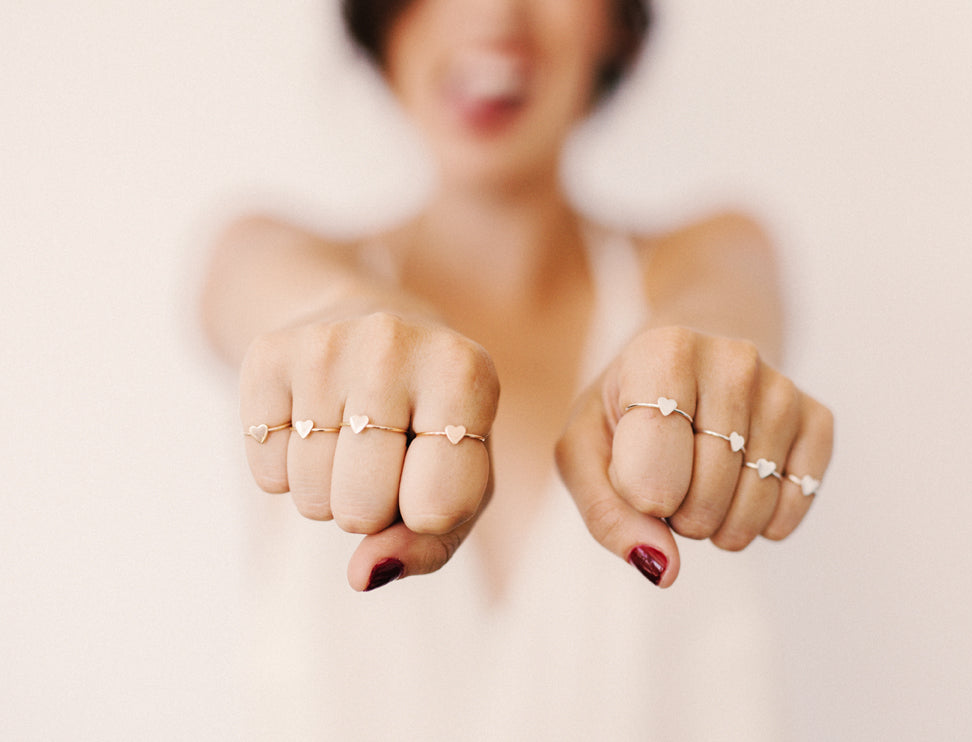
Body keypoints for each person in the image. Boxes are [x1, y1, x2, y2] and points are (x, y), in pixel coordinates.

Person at [202, 0, 833, 738]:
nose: (494, 13)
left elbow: (730, 297)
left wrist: (703, 356)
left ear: (614, 22)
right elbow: (256, 280)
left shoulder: (712, 253)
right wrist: (350, 310)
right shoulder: (267, 255)